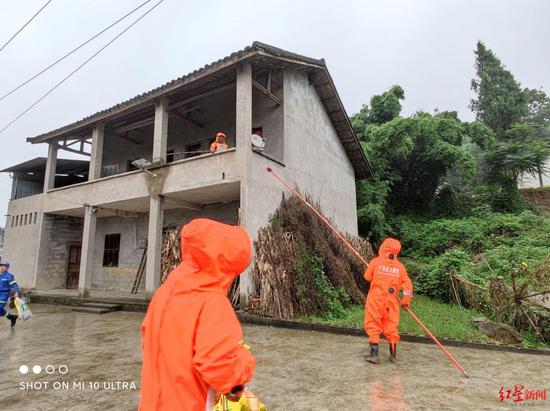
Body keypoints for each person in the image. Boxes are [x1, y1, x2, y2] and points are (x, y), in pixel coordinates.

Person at [139, 219, 256, 411]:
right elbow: (220, 363)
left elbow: (147, 338)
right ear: (228, 260)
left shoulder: (165, 292)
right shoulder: (212, 301)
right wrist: (241, 370)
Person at [363, 238, 413, 363]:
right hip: (391, 302)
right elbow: (408, 285)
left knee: (373, 324)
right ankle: (393, 356)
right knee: (391, 326)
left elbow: (367, 277)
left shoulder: (375, 262)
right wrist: (406, 301)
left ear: (383, 248)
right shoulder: (400, 267)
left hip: (376, 300)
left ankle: (374, 355)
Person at [0, 262, 19, 327]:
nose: (2, 267)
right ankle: (11, 317)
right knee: (0, 310)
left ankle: (11, 317)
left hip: (3, 294)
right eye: (1, 266)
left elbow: (14, 285)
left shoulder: (9, 276)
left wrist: (16, 292)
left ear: (7, 268)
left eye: (4, 266)